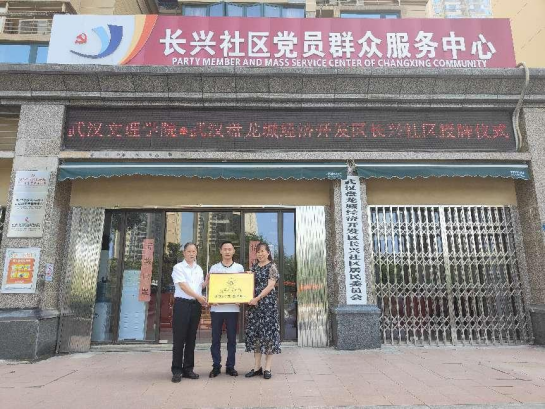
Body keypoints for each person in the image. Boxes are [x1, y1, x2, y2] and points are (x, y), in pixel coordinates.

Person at [170, 243, 208, 383]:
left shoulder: (199, 269)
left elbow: (199, 286)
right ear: (184, 253)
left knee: (191, 338)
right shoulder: (178, 267)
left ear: (196, 253)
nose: (192, 254)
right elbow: (183, 286)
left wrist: (206, 283)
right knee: (179, 339)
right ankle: (176, 370)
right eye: (189, 251)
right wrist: (199, 297)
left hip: (195, 306)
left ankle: (188, 369)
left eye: (194, 251)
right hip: (182, 304)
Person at [244, 242, 281, 380]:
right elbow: (248, 284)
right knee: (257, 336)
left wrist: (257, 298)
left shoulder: (272, 267)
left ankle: (267, 368)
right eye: (258, 252)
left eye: (262, 251)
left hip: (267, 306)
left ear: (268, 253)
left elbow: (271, 286)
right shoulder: (254, 267)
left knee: (269, 336)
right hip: (255, 307)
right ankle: (257, 367)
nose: (260, 254)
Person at [208, 241, 245, 378]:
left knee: (232, 339)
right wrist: (211, 299)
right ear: (221, 251)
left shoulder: (239, 268)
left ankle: (230, 366)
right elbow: (210, 287)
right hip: (216, 309)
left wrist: (241, 299)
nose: (227, 251)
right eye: (225, 249)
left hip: (233, 309)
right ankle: (216, 366)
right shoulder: (214, 268)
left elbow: (243, 287)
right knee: (215, 339)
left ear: (234, 251)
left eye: (230, 249)